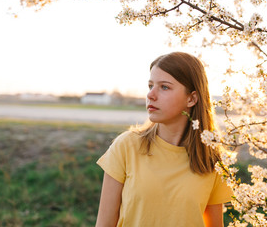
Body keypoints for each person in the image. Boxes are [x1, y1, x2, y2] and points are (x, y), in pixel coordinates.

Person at [95, 52, 233, 227]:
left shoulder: (211, 160)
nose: (151, 95)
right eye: (150, 85)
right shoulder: (127, 146)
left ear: (191, 98)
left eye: (164, 87)